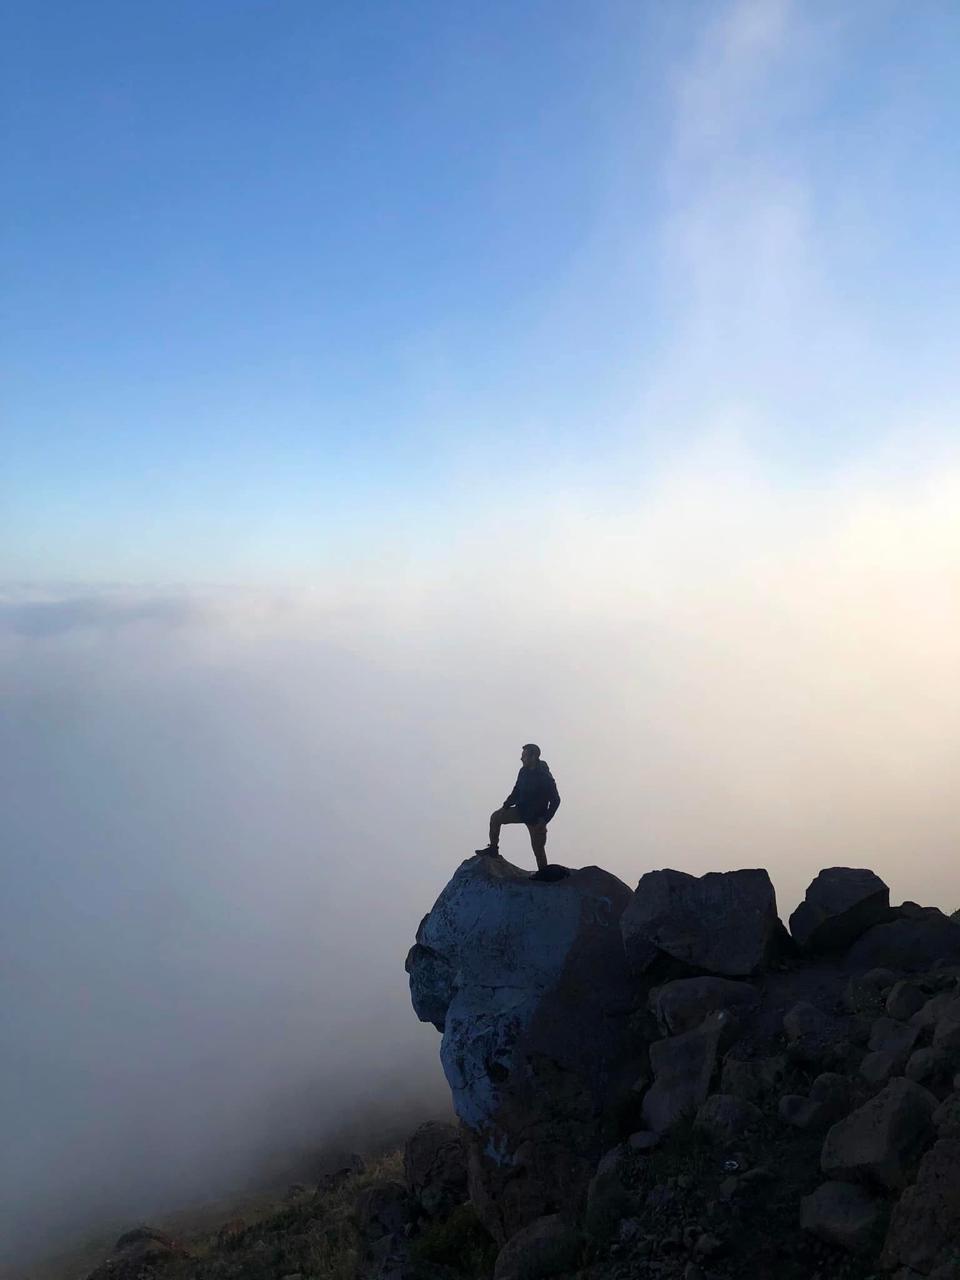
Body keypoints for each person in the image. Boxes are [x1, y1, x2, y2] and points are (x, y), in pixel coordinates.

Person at [475, 744, 561, 872]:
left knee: (538, 849)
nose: (521, 759)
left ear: (534, 756)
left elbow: (555, 800)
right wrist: (506, 805)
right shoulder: (523, 772)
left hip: (536, 819)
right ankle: (493, 848)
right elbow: (516, 790)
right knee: (495, 818)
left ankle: (544, 875)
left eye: (524, 756)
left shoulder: (544, 777)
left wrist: (544, 820)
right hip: (521, 810)